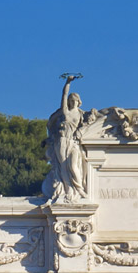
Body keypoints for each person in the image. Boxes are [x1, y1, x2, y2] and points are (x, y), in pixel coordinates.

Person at [47, 75, 90, 204]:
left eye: (74, 100)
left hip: (74, 143)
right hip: (62, 141)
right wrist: (68, 83)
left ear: (78, 101)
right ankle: (69, 191)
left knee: (73, 165)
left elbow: (88, 127)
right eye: (70, 100)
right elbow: (64, 95)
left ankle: (79, 189)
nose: (72, 101)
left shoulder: (82, 115)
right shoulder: (65, 112)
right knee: (64, 167)